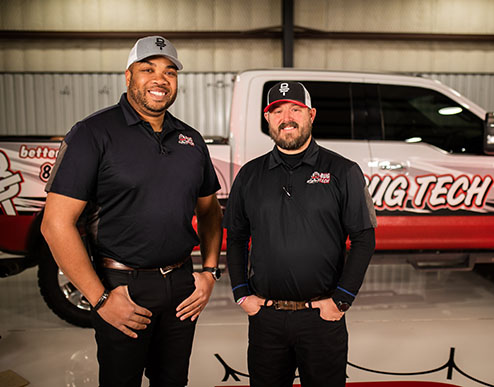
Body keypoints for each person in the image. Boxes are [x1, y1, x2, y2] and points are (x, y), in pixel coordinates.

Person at [41, 36, 223, 387]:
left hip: (182, 286)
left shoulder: (190, 139)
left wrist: (210, 273)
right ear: (128, 76)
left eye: (170, 71)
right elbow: (55, 225)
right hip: (122, 286)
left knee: (172, 381)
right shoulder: (92, 134)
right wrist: (101, 299)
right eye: (148, 69)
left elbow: (210, 211)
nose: (160, 79)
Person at [224, 81, 377, 387]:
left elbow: (363, 237)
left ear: (311, 115)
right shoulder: (250, 175)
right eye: (277, 110)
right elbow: (237, 237)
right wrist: (242, 293)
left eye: (296, 109)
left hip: (322, 317)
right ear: (267, 119)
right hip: (266, 317)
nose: (287, 117)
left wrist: (342, 300)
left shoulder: (343, 171)